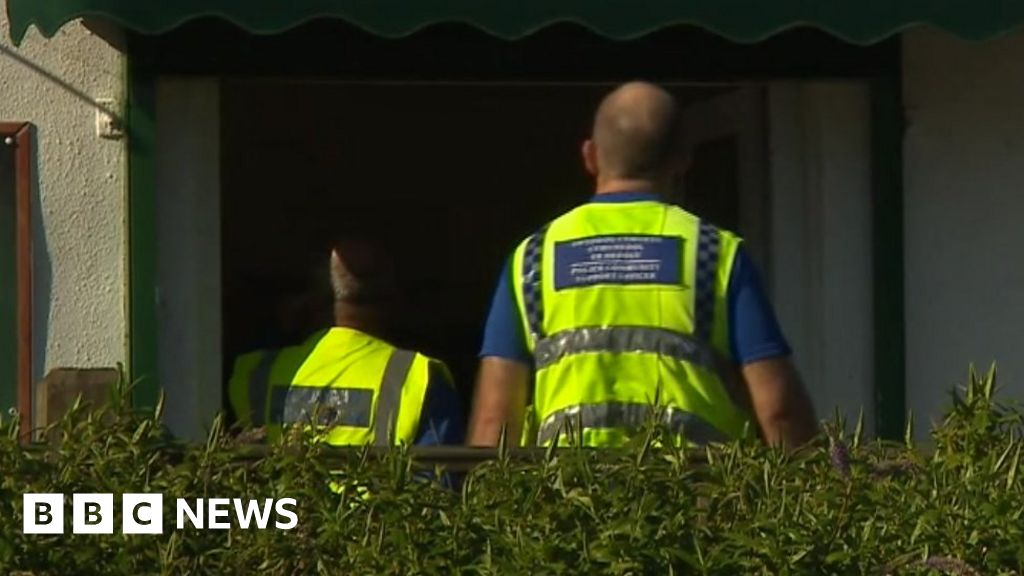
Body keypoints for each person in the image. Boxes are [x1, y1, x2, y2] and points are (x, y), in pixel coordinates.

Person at [467, 81, 817, 450]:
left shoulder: (533, 259)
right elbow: (779, 412)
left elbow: (495, 421)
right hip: (697, 498)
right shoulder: (716, 253)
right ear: (683, 160)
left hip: (568, 498)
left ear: (590, 156)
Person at [229, 238, 464, 447]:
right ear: (395, 300)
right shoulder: (420, 377)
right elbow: (438, 488)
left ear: (312, 300)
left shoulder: (254, 374)